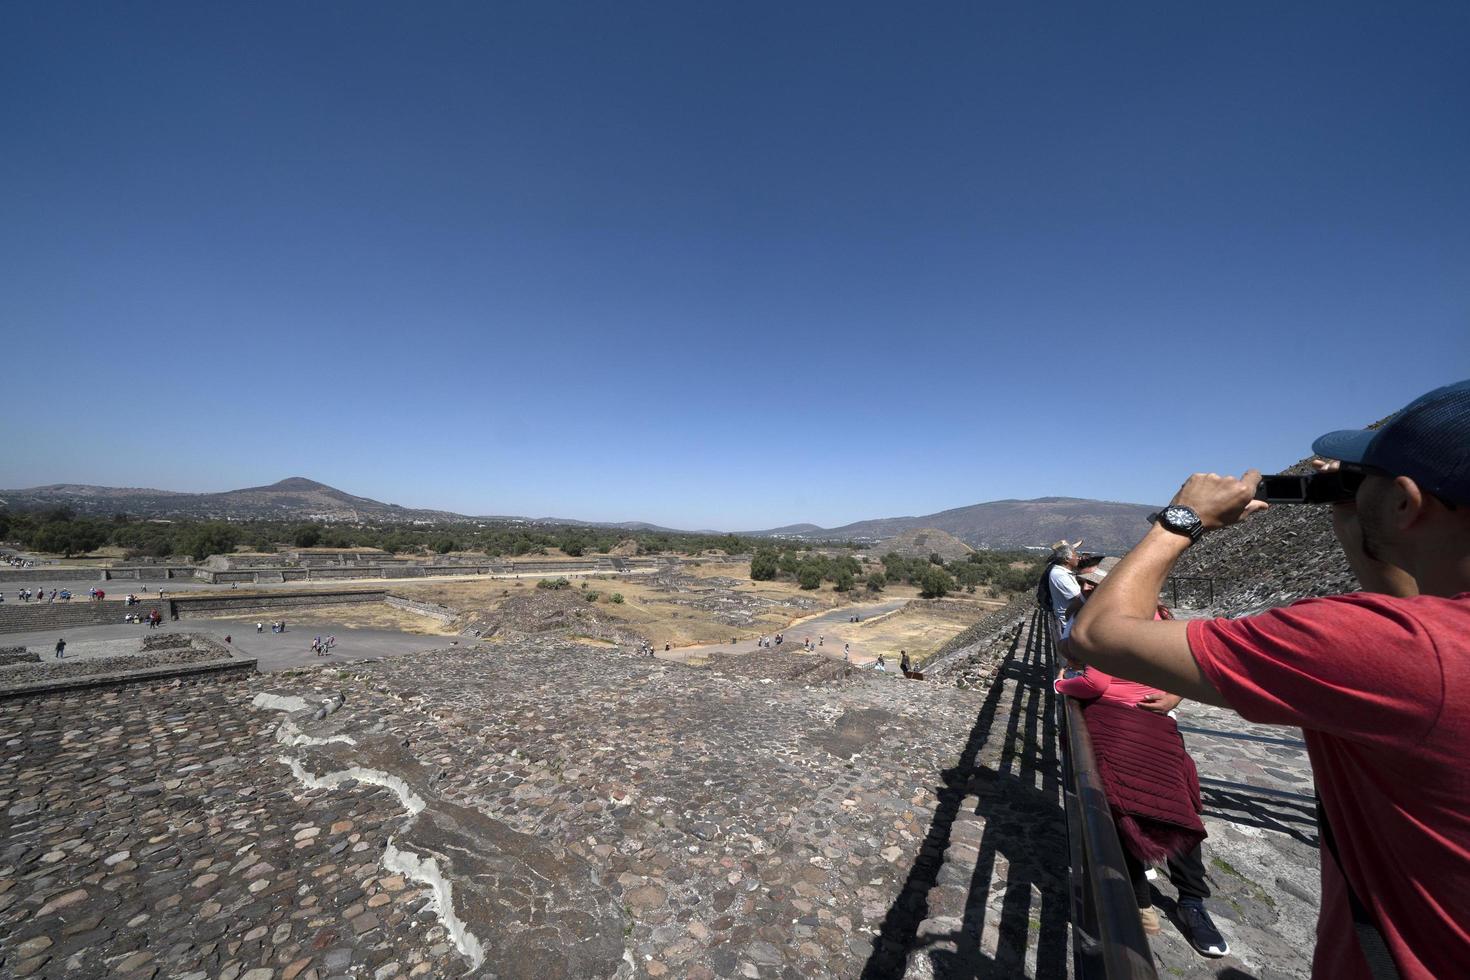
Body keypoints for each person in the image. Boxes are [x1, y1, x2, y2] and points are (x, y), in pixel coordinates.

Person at [1070, 380, 1470, 980]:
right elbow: (1418, 609)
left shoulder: (1386, 650)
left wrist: (1182, 520)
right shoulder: (1429, 645)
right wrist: (1358, 522)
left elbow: (1098, 634)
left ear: (1407, 502)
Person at [1058, 561, 1227, 955]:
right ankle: (1191, 901)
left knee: (1119, 806)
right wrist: (1175, 694)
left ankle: (1142, 902)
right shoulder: (1162, 618)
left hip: (1117, 721)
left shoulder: (1108, 622)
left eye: (1094, 583)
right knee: (1175, 803)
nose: (1085, 587)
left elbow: (1095, 681)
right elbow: (1190, 667)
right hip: (1157, 726)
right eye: (1083, 581)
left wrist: (1062, 682)